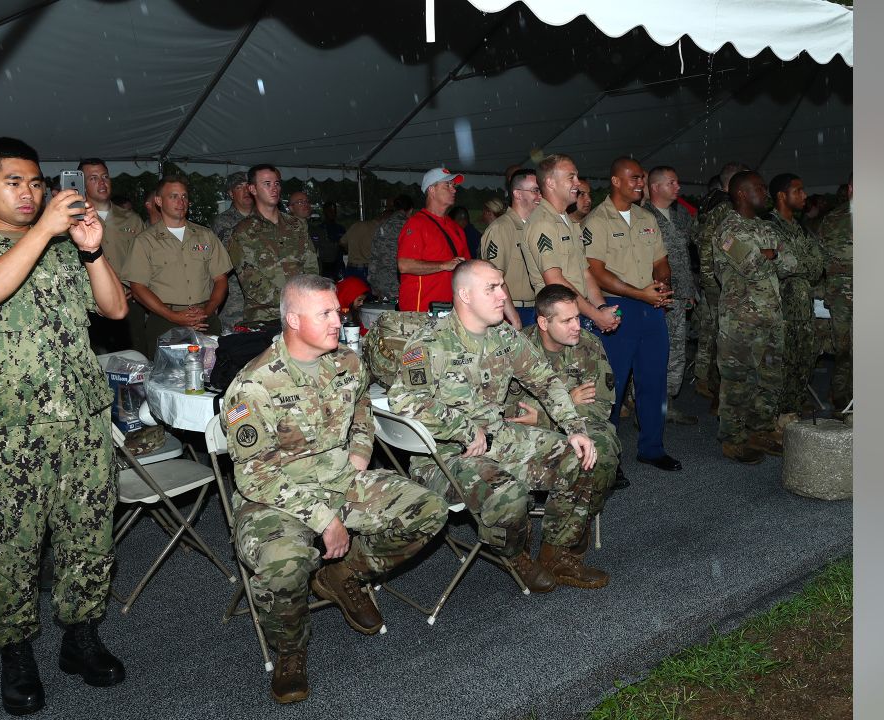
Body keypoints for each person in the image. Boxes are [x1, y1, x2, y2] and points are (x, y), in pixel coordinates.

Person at [0, 136, 129, 716]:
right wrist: (43, 231)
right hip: (9, 431)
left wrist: (92, 252)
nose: (29, 193)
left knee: (89, 536)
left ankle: (80, 636)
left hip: (83, 422)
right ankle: (15, 651)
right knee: (12, 546)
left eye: (36, 183)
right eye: (14, 182)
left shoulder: (65, 252)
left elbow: (115, 310)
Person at [224, 274, 448, 705]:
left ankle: (344, 575)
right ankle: (290, 653)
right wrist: (324, 520)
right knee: (283, 565)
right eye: (325, 312)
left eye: (336, 310)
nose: (338, 319)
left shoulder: (346, 361)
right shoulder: (252, 385)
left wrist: (361, 450)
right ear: (292, 320)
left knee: (428, 509)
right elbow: (254, 475)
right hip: (275, 497)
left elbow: (362, 404)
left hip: (340, 478)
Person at [388, 260, 601, 592]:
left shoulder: (504, 336)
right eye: (492, 288)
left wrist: (574, 426)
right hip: (445, 456)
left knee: (579, 457)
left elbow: (545, 380)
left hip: (498, 437)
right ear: (464, 295)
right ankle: (515, 553)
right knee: (509, 495)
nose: (503, 295)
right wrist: (462, 428)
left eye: (502, 285)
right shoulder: (430, 343)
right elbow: (405, 400)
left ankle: (557, 552)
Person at [504, 283, 621, 582]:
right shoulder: (516, 349)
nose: (577, 327)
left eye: (578, 318)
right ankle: (537, 543)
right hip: (524, 435)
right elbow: (505, 410)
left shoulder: (589, 345)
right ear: (543, 322)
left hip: (577, 424)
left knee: (604, 452)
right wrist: (568, 401)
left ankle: (558, 550)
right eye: (567, 320)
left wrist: (544, 414)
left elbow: (601, 405)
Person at [583, 157, 681, 472]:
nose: (640, 183)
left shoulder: (645, 217)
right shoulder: (597, 220)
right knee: (612, 385)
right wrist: (639, 293)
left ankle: (652, 447)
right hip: (616, 308)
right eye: (634, 178)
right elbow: (594, 271)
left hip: (650, 309)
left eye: (641, 178)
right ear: (615, 181)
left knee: (654, 380)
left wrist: (662, 284)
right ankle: (608, 458)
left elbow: (661, 260)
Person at [713, 171, 795, 463]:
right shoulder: (727, 231)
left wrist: (767, 254)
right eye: (759, 188)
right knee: (738, 382)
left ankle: (760, 431)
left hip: (771, 319)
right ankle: (733, 439)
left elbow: (790, 262)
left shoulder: (765, 227)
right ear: (742, 194)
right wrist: (769, 255)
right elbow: (753, 267)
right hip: (741, 324)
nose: (766, 192)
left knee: (769, 380)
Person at [121, 175, 232, 354]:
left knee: (213, 373)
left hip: (205, 317)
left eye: (184, 196)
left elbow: (221, 279)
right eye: (173, 196)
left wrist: (207, 311)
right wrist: (172, 315)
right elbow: (138, 288)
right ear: (158, 201)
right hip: (164, 319)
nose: (181, 201)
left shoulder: (205, 235)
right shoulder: (144, 241)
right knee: (166, 378)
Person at [519, 154, 620, 338]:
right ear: (550, 182)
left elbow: (585, 273)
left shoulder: (570, 222)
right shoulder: (543, 223)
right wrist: (596, 315)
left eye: (577, 177)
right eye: (570, 177)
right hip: (556, 322)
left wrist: (602, 308)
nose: (577, 183)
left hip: (578, 316)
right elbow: (554, 280)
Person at [642, 165, 699, 425]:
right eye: (672, 183)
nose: (678, 187)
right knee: (653, 351)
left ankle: (668, 403)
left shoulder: (680, 216)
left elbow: (687, 256)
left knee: (676, 352)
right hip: (655, 296)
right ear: (655, 187)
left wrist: (689, 290)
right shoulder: (643, 216)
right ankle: (645, 403)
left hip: (679, 294)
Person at [229, 164, 319, 323]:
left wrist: (308, 297)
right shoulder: (242, 232)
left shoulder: (296, 225)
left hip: (302, 314)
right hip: (265, 318)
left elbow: (311, 267)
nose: (274, 188)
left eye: (277, 183)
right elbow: (251, 282)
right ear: (253, 189)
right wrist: (291, 301)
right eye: (267, 184)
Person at [767, 173, 824, 416]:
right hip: (782, 308)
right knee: (782, 363)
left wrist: (797, 264)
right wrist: (798, 264)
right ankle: (777, 413)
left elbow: (816, 266)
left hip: (803, 307)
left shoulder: (799, 228)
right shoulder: (769, 226)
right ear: (782, 196)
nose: (805, 195)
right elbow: (782, 266)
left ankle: (792, 406)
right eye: (798, 191)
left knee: (804, 359)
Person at [693, 161, 748, 405]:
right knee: (721, 336)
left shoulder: (708, 203)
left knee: (709, 331)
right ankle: (717, 389)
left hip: (711, 279)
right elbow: (714, 245)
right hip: (720, 281)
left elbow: (697, 237)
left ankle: (705, 379)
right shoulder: (726, 208)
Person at [79, 158, 145, 354]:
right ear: (82, 184)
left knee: (134, 361)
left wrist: (137, 286)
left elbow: (146, 261)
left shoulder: (131, 219)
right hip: (89, 306)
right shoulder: (72, 220)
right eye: (93, 178)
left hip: (129, 303)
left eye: (105, 176)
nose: (102, 182)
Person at [396, 168, 470, 311]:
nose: (454, 190)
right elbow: (404, 265)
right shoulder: (416, 224)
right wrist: (443, 265)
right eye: (447, 185)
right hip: (421, 312)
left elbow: (466, 268)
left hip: (451, 312)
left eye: (454, 186)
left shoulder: (456, 229)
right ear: (432, 190)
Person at [479, 168, 540, 327]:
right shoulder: (501, 229)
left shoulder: (535, 227)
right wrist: (514, 318)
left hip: (536, 309)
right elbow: (493, 279)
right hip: (512, 312)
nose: (540, 196)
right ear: (518, 194)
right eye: (535, 190)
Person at [817, 175, 853, 417]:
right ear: (851, 189)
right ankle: (841, 398)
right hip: (841, 297)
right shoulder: (832, 219)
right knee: (843, 351)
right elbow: (820, 258)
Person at [212, 171, 254, 328]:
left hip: (263, 300)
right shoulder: (222, 222)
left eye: (248, 186)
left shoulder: (264, 217)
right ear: (230, 193)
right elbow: (217, 262)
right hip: (234, 300)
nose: (246, 191)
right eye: (239, 187)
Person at [368, 194, 413, 302]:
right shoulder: (411, 226)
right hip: (403, 284)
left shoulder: (382, 226)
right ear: (410, 210)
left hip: (382, 283)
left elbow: (374, 256)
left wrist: (372, 282)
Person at [290, 190, 340, 280]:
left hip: (314, 280)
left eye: (307, 201)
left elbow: (329, 257)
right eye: (300, 202)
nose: (305, 204)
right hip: (294, 282)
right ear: (291, 208)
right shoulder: (283, 230)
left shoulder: (316, 230)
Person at [341, 203, 386, 283]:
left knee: (352, 294)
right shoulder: (379, 230)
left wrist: (351, 250)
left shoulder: (355, 225)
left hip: (351, 269)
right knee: (368, 294)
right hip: (367, 269)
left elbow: (342, 242)